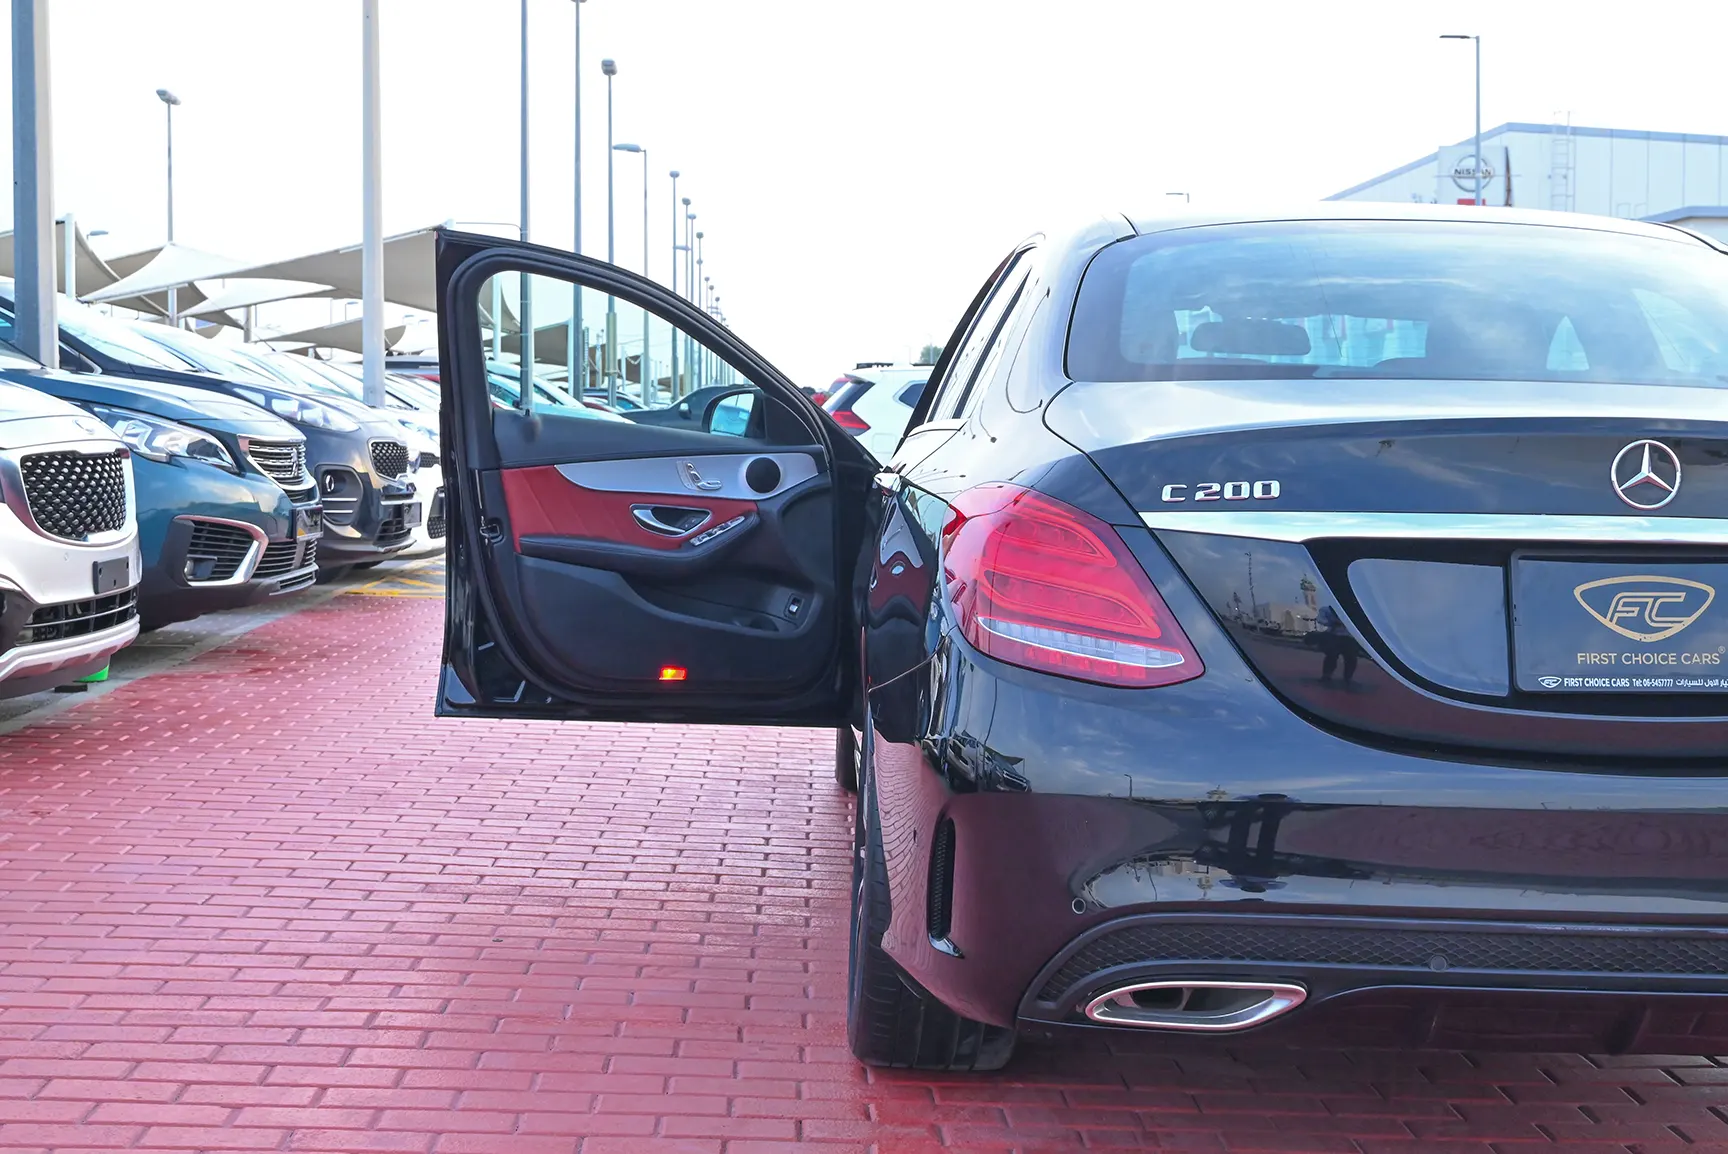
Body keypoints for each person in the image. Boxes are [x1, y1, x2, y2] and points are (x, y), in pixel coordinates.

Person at [1315, 606, 1359, 686]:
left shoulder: (1353, 609)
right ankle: (1326, 675)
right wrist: (1332, 623)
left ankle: (1348, 677)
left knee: (1351, 657)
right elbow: (1320, 619)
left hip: (1349, 636)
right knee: (1331, 656)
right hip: (1334, 635)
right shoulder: (1326, 610)